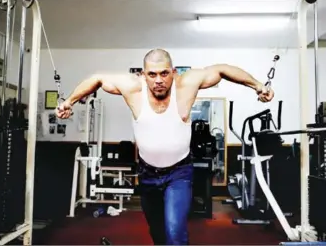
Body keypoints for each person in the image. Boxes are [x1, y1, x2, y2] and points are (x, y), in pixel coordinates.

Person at [56, 49, 274, 245]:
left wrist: (258, 86)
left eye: (164, 73)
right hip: (147, 175)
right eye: (152, 74)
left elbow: (222, 69)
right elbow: (97, 78)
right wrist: (69, 102)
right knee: (158, 234)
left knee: (174, 232)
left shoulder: (186, 84)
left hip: (178, 173)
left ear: (173, 71)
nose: (158, 80)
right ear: (143, 74)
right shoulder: (133, 88)